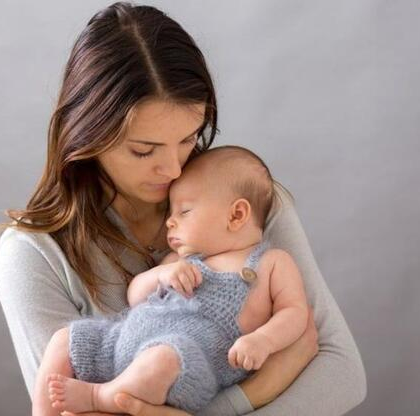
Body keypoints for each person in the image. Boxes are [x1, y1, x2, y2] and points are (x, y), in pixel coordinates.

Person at [0, 3, 366, 415]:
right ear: (87, 136)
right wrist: (257, 392)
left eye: (188, 138)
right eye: (143, 150)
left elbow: (342, 373)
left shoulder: (246, 203)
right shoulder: (32, 255)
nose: (173, 170)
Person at [33, 146, 310, 415]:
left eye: (184, 211)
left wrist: (263, 341)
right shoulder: (180, 260)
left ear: (236, 215)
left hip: (185, 365)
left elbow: (294, 312)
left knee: (163, 358)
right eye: (170, 212)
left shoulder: (271, 263)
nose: (170, 222)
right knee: (66, 338)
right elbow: (135, 296)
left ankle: (100, 396)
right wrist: (161, 275)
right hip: (120, 342)